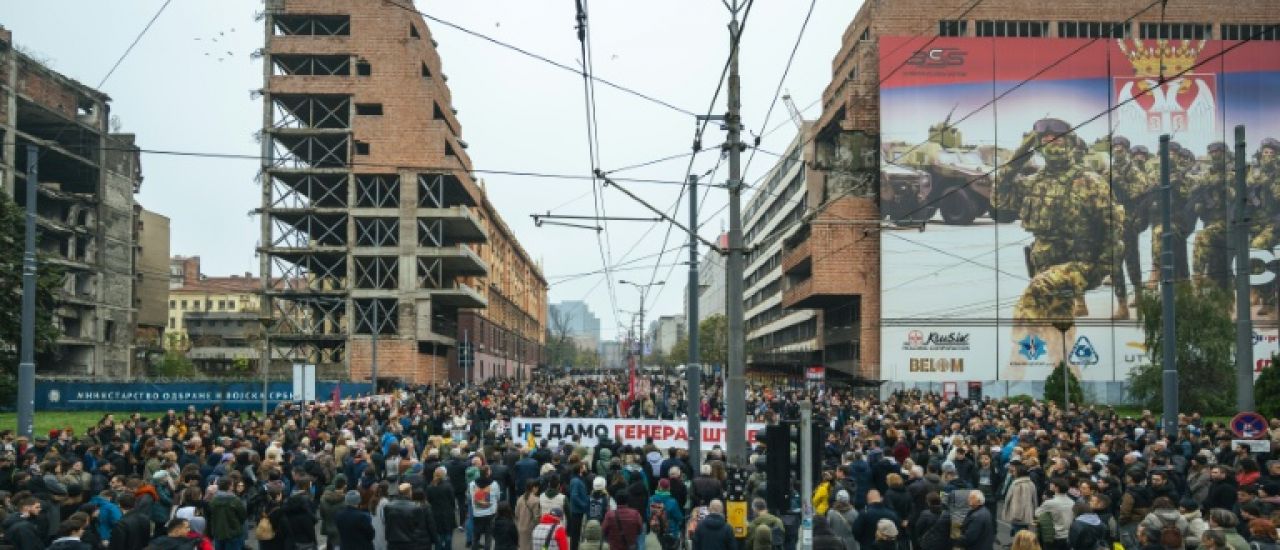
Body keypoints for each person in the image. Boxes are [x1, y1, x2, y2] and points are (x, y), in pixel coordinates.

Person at [383, 483, 436, 550]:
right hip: (409, 542)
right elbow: (419, 527)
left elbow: (387, 523)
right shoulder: (415, 508)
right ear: (409, 492)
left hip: (392, 542)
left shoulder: (388, 507)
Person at [1035, 478, 1074, 550]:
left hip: (1054, 535)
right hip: (1067, 535)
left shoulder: (1050, 503)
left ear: (1057, 488)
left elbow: (1037, 513)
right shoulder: (1072, 502)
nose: (1050, 485)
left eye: (1052, 484)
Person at [1002, 462, 1038, 540]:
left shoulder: (1016, 484)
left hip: (1017, 516)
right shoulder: (1031, 483)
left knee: (1019, 535)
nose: (1013, 472)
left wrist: (1014, 515)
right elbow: (1034, 500)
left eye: (1015, 471)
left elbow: (1012, 501)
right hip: (1028, 514)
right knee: (1025, 534)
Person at [427, 468, 458, 550]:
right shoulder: (448, 486)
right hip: (447, 513)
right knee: (448, 534)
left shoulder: (430, 487)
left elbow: (428, 500)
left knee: (439, 535)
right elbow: (452, 499)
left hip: (435, 513)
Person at [472, 466, 502, 550]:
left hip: (477, 513)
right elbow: (498, 497)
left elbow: (471, 496)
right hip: (490, 512)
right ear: (488, 473)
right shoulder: (494, 484)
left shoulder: (472, 484)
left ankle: (474, 547)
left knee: (476, 535)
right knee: (488, 535)